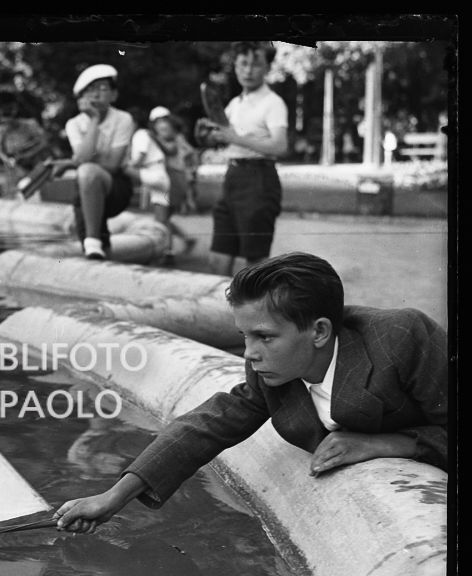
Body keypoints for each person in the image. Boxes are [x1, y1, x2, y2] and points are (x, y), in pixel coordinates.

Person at [54, 252, 447, 534]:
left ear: (320, 331)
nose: (249, 352)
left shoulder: (402, 339)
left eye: (264, 337)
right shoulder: (271, 366)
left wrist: (391, 443)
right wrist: (114, 496)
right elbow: (208, 425)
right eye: (244, 335)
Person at [198, 42, 288, 277]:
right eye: (243, 64)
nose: (248, 71)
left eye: (256, 64)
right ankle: (216, 313)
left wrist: (234, 137)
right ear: (235, 67)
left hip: (259, 179)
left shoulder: (273, 103)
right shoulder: (235, 103)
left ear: (267, 68)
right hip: (233, 178)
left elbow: (280, 146)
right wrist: (208, 135)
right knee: (218, 259)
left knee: (254, 264)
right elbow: (224, 138)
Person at [53, 64, 134, 260]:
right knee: (93, 246)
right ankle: (95, 247)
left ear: (114, 95)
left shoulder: (123, 119)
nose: (95, 94)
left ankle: (93, 241)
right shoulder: (74, 124)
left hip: (116, 187)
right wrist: (94, 121)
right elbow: (83, 158)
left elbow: (113, 165)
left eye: (102, 88)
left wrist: (74, 163)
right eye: (89, 90)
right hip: (87, 188)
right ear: (81, 98)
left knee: (88, 172)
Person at [150, 106, 199, 256]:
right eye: (158, 122)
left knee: (162, 218)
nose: (162, 125)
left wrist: (153, 139)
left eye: (164, 121)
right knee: (165, 217)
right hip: (171, 179)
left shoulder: (173, 137)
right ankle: (183, 240)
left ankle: (167, 251)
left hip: (172, 179)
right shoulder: (178, 137)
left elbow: (170, 150)